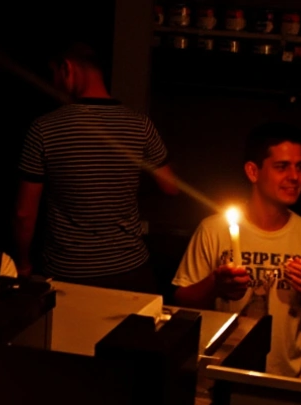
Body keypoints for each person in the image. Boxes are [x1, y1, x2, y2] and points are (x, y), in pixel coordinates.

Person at [171, 122, 301, 378]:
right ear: (253, 171)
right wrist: (215, 285)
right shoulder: (213, 230)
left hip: (283, 381)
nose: (295, 177)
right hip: (219, 374)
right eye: (282, 167)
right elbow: (181, 304)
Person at [14, 41, 179, 293]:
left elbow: (24, 213)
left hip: (67, 273)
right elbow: (170, 187)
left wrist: (23, 263)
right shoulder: (140, 125)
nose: (54, 84)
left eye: (54, 75)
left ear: (67, 68)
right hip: (130, 269)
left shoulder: (44, 129)